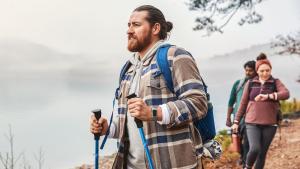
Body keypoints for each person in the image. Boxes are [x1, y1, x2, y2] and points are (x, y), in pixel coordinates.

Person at [90, 5, 208, 169]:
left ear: (155, 28)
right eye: (129, 25)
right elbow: (129, 122)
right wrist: (108, 129)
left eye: (136, 25)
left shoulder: (175, 56)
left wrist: (154, 113)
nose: (129, 30)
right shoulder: (128, 69)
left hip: (174, 164)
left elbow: (198, 103)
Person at [232, 53, 290, 169]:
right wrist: (236, 122)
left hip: (270, 124)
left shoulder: (275, 82)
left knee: (262, 154)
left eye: (267, 70)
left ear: (271, 70)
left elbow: (286, 94)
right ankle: (247, 167)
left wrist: (269, 96)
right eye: (262, 71)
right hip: (252, 122)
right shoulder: (251, 83)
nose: (265, 73)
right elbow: (243, 104)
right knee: (255, 148)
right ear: (257, 71)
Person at [226, 60, 256, 167]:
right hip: (237, 119)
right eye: (246, 70)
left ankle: (245, 163)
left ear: (256, 71)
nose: (247, 73)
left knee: (248, 142)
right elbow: (231, 102)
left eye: (250, 71)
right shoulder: (238, 84)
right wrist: (228, 118)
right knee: (237, 141)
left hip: (251, 119)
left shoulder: (257, 85)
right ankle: (242, 157)